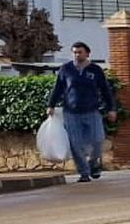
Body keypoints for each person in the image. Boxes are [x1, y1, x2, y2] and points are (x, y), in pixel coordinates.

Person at [46, 42, 115, 182]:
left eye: (80, 52)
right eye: (75, 52)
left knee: (98, 140)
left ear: (87, 53)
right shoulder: (66, 69)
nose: (77, 55)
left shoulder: (95, 70)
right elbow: (58, 88)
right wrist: (51, 105)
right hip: (71, 113)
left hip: (92, 111)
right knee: (76, 144)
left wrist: (111, 109)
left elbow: (105, 90)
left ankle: (93, 163)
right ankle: (84, 173)